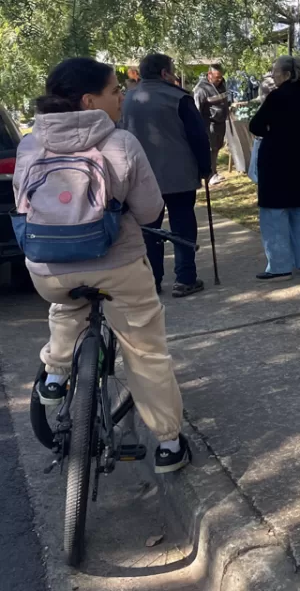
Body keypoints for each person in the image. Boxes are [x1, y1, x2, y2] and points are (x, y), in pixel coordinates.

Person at [15, 57, 190, 472]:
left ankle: (56, 374)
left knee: (66, 302)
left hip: (47, 269)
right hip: (117, 267)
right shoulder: (121, 143)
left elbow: (25, 204)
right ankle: (168, 445)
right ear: (89, 100)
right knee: (145, 352)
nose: (122, 97)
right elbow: (149, 212)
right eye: (115, 91)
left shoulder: (29, 144)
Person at [121, 52, 212, 297]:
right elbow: (198, 136)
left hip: (140, 176)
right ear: (164, 73)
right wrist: (205, 167)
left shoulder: (126, 99)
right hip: (178, 174)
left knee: (149, 229)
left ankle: (152, 279)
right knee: (182, 224)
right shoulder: (179, 98)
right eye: (171, 71)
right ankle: (185, 278)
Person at [249, 57, 300, 280]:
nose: (273, 74)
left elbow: (255, 125)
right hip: (298, 156)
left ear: (287, 74)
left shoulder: (277, 96)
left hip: (275, 158)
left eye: (275, 71)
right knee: (299, 209)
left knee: (274, 211)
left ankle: (279, 266)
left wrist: (272, 129)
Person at [193, 63, 231, 184]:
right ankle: (210, 175)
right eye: (217, 77)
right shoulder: (201, 89)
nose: (219, 80)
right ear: (209, 75)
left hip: (220, 123)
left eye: (221, 76)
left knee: (216, 148)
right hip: (209, 124)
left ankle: (214, 172)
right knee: (210, 149)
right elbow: (196, 109)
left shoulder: (222, 84)